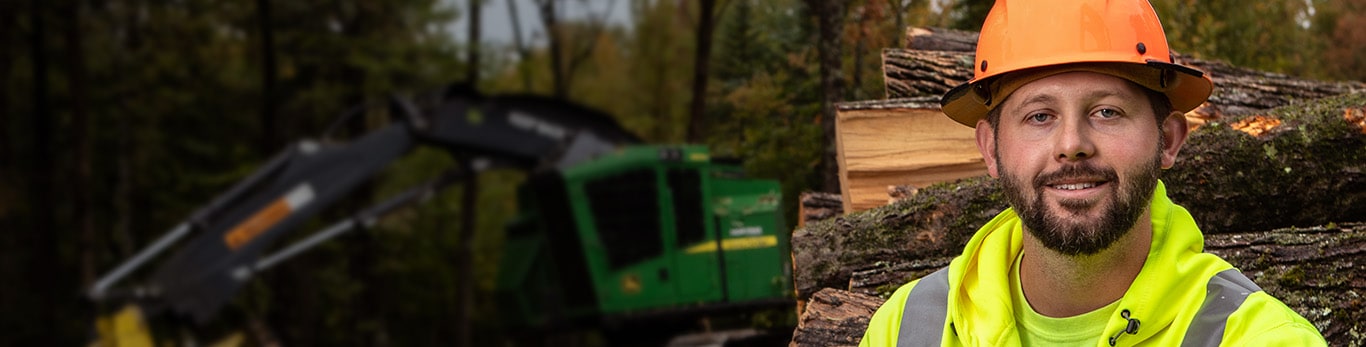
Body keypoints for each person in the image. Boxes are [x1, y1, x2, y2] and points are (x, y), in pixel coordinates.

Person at [858, 0, 1327, 346]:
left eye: (1106, 112)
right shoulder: (906, 328)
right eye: (1039, 116)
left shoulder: (1258, 338)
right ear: (990, 148)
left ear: (1168, 139)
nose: (1071, 145)